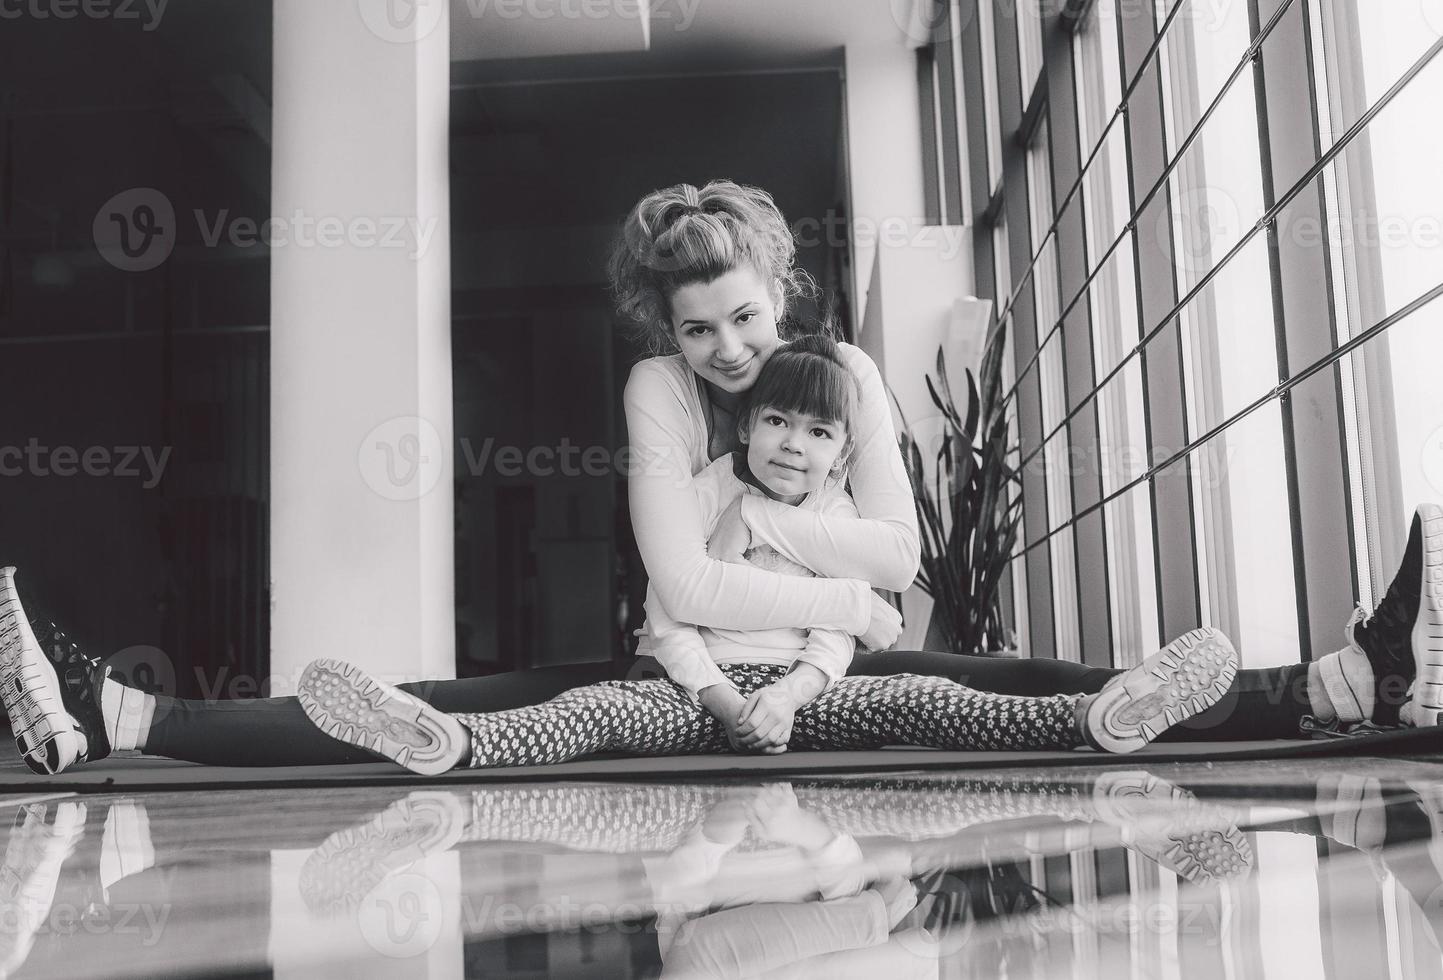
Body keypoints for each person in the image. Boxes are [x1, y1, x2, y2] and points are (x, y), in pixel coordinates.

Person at [1, 179, 1439, 774]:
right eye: (696, 331)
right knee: (457, 704)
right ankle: (116, 713)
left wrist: (800, 579)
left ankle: (1334, 686)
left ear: (783, 287)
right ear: (660, 332)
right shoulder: (652, 390)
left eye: (747, 318)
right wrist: (819, 560)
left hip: (818, 674)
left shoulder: (852, 379)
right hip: (684, 672)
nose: (731, 354)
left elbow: (903, 572)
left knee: (1015, 684)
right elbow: (678, 584)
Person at [290, 335, 1240, 773]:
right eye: (775, 421)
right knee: (585, 710)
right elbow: (669, 620)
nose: (793, 443)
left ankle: (1101, 717)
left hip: (806, 701)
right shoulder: (708, 493)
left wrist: (786, 696)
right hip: (692, 697)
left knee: (933, 699)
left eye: (817, 432)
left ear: (840, 448)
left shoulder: (839, 523)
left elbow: (842, 640)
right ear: (745, 429)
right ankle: (446, 741)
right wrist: (719, 698)